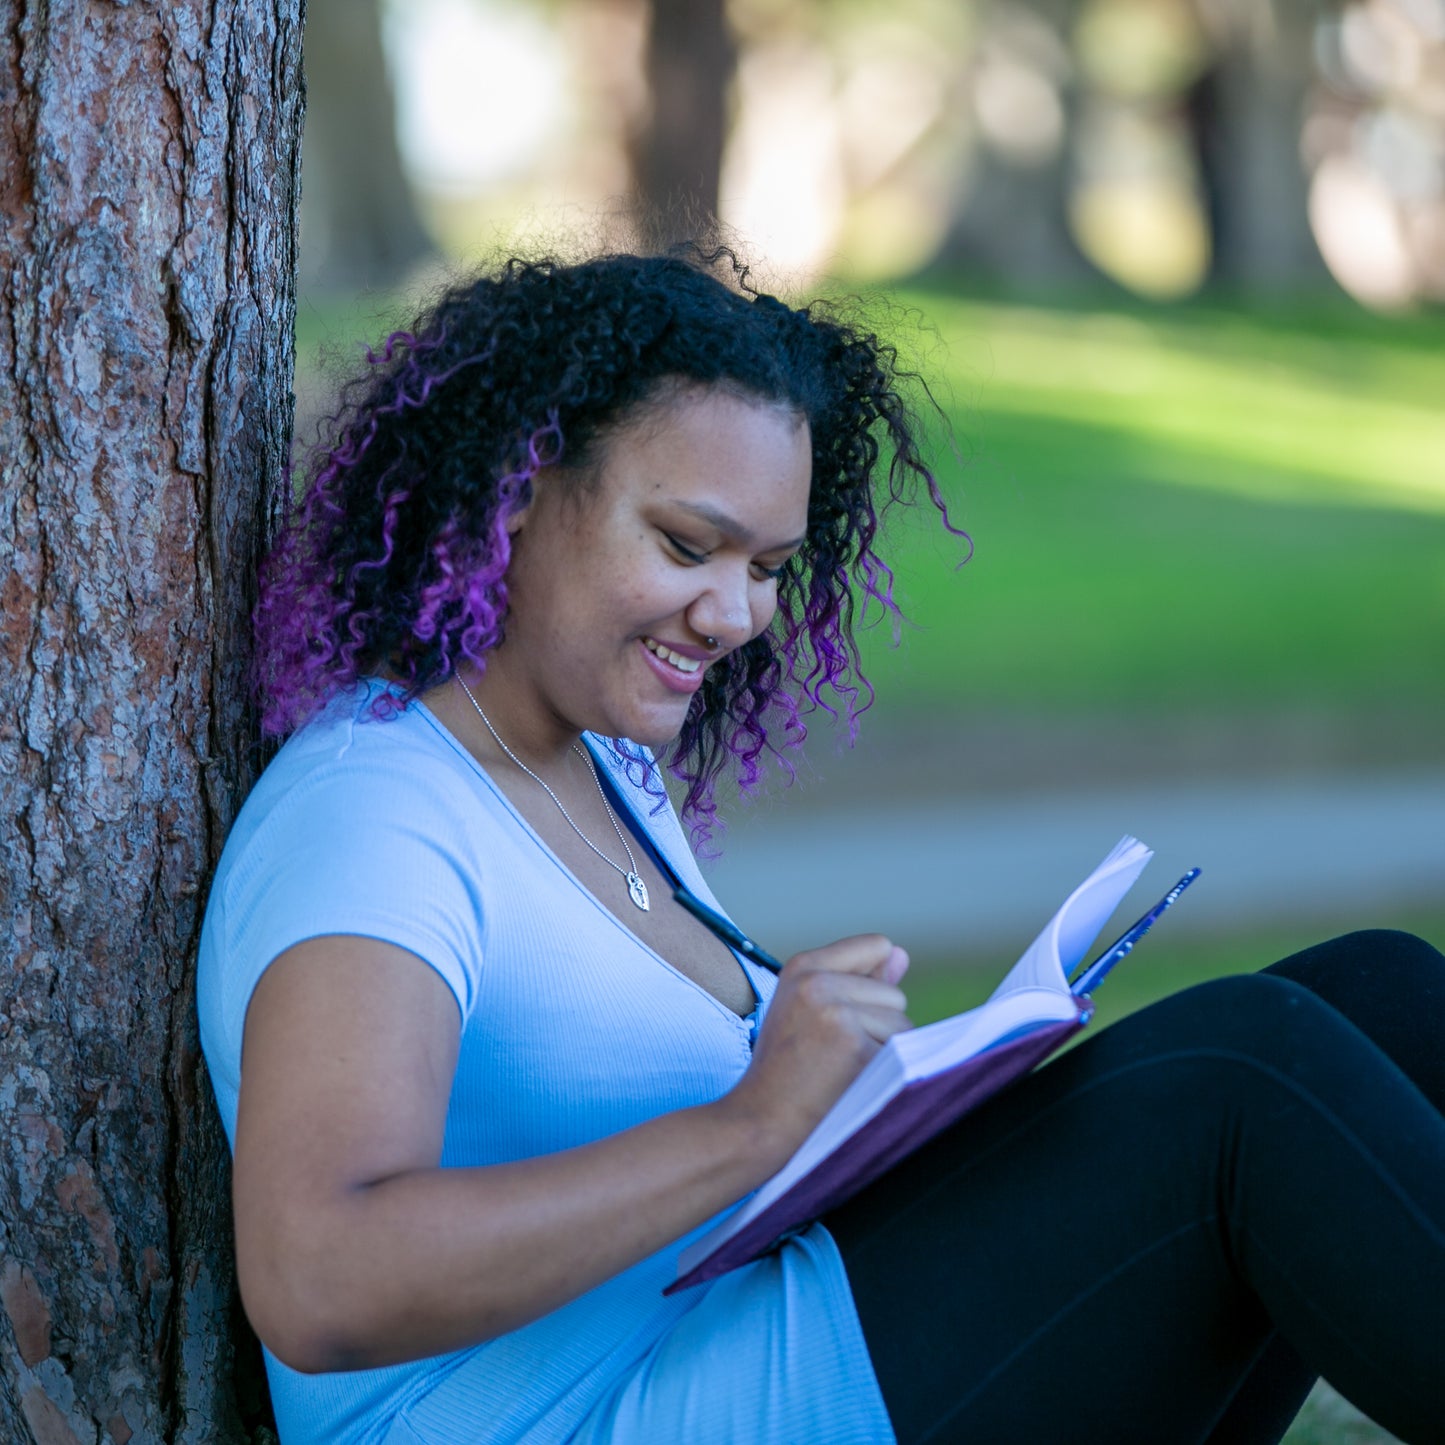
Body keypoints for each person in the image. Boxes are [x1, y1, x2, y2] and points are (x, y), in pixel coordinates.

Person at [197, 248, 1445, 1445]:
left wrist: (877, 1104)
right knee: (1242, 1073)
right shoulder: (375, 816)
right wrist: (752, 1124)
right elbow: (318, 1277)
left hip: (720, 1338)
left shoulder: (599, 765)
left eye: (768, 565)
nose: (735, 612)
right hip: (572, 1410)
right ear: (515, 488)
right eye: (687, 545)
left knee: (1378, 990)